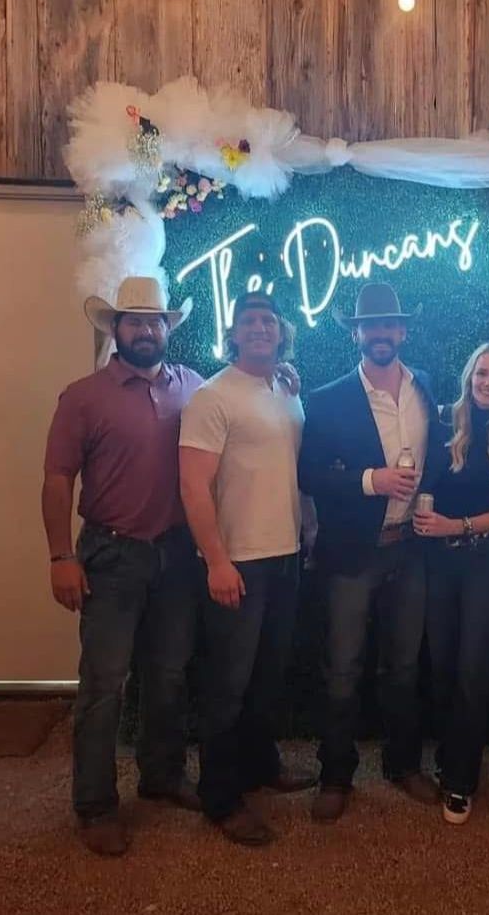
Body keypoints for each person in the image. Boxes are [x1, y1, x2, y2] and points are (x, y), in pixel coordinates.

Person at [41, 276, 202, 857]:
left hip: (177, 553)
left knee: (169, 675)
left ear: (167, 330)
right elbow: (57, 479)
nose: (145, 330)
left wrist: (282, 378)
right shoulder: (82, 396)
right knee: (105, 684)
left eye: (155, 321)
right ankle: (94, 803)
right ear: (116, 330)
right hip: (111, 554)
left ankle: (161, 777)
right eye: (134, 321)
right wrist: (62, 556)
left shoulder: (193, 386)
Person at [298, 282, 448, 823]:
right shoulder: (326, 397)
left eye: (390, 324)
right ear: (356, 333)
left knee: (404, 667)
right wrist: (370, 480)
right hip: (352, 554)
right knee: (342, 669)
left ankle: (403, 765)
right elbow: (308, 474)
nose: (381, 333)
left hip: (409, 549)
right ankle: (336, 774)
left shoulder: (426, 387)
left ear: (403, 331)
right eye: (371, 325)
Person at [179, 292, 317, 847]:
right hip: (236, 562)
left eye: (268, 321)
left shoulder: (285, 390)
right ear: (232, 332)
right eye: (249, 321)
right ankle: (219, 796)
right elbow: (192, 486)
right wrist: (216, 560)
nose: (259, 328)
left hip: (284, 557)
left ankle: (260, 766)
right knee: (227, 685)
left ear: (281, 333)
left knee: (266, 678)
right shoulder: (212, 397)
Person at [414, 342, 489, 825]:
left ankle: (461, 781)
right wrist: (424, 511)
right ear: (469, 375)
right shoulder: (443, 420)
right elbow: (427, 484)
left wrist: (452, 527)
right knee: (441, 667)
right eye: (483, 372)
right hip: (438, 564)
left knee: (471, 671)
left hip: (485, 564)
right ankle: (449, 754)